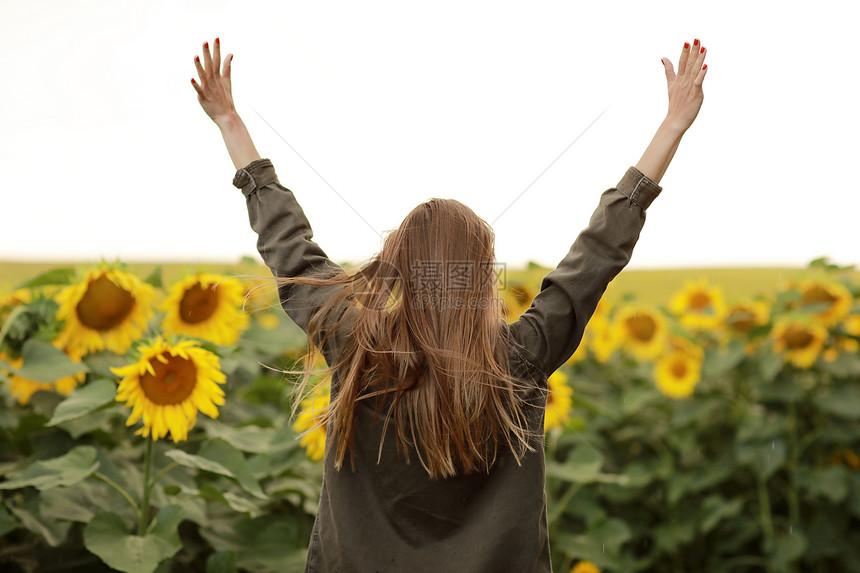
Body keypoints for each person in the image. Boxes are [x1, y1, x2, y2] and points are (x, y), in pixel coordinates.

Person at [191, 36, 707, 573]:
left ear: (398, 270)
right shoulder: (522, 356)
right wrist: (671, 126)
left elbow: (290, 246)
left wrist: (230, 122)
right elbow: (598, 252)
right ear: (481, 279)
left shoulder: (355, 343)